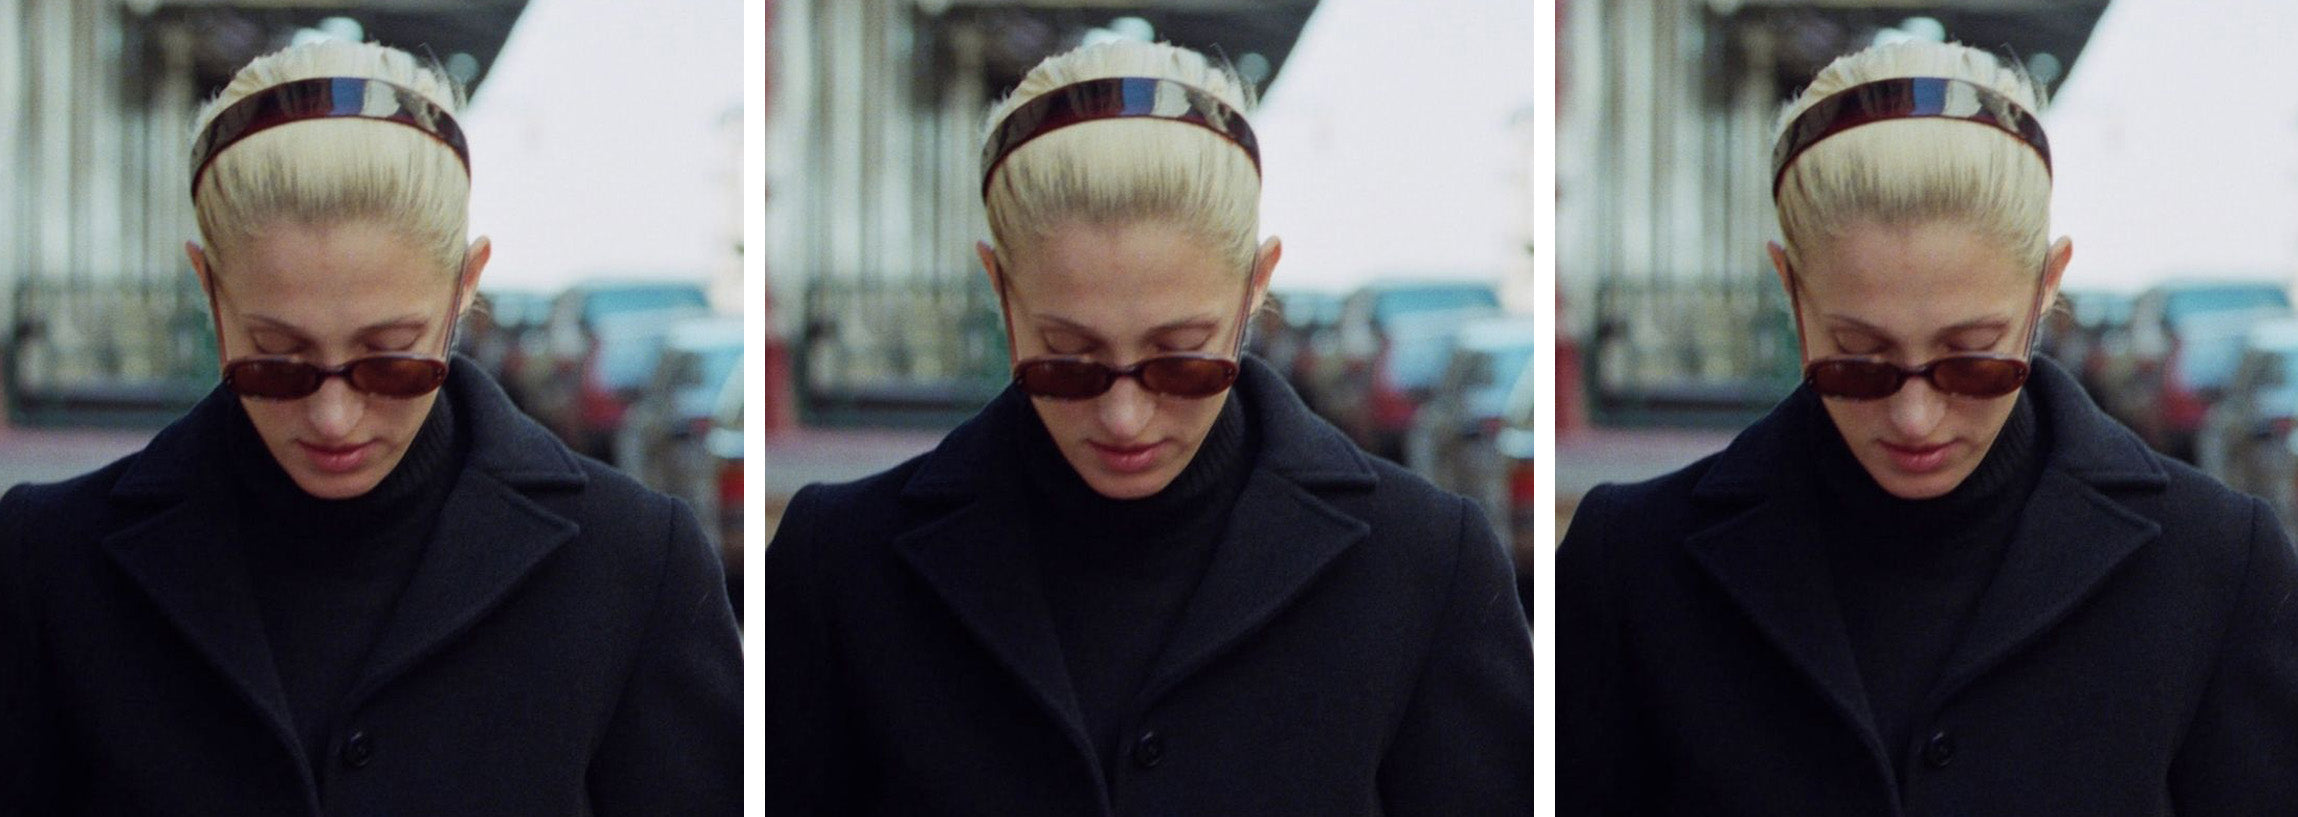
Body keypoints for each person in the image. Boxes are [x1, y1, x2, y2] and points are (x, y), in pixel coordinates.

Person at [760, 40, 1535, 815]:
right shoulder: (842, 564)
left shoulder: (1426, 565)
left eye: (1179, 360)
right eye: (1067, 361)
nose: (1124, 414)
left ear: (1255, 286)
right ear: (999, 289)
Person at [1558, 40, 2298, 814]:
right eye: (1859, 361)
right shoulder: (1634, 564)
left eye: (1972, 360)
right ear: (1790, 288)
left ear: (2048, 285)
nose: (1915, 416)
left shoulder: (2215, 563)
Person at [0, 41, 740, 814]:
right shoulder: (50, 562)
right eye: (277, 361)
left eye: (390, 361)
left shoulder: (632, 564)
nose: (332, 415)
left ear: (465, 286)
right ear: (208, 289)